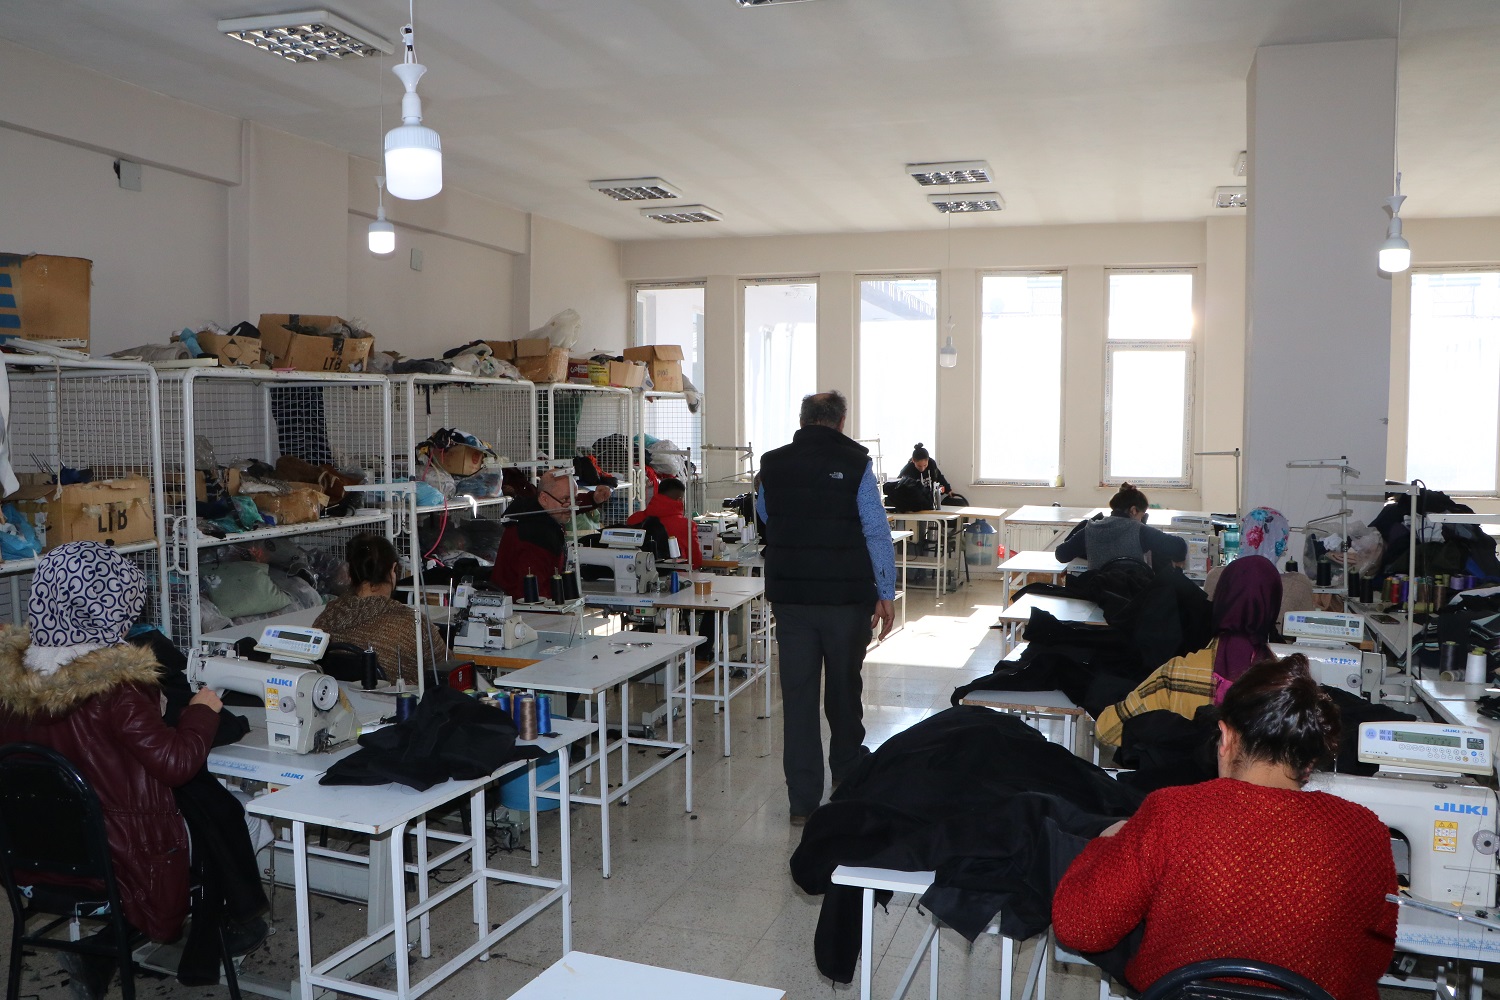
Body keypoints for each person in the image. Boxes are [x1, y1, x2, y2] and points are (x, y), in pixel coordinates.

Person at [0, 542, 269, 997]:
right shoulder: (116, 689)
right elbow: (177, 764)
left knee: (204, 809)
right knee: (236, 816)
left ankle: (106, 950)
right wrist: (202, 711)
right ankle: (228, 926)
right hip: (122, 857)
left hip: (33, 858)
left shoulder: (11, 684)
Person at [1054, 654, 1398, 1000]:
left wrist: (1104, 844)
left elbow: (1080, 929)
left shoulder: (1173, 812)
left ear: (1226, 737)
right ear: (1309, 762)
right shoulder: (1366, 832)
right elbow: (1373, 961)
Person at [758, 391, 897, 825]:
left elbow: (766, 516)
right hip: (845, 601)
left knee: (798, 697)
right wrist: (886, 592)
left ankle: (802, 802)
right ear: (841, 421)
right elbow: (875, 530)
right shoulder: (857, 463)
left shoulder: (771, 464)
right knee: (843, 688)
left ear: (803, 421)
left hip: (792, 601)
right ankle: (847, 774)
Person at [1094, 553, 1281, 745]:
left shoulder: (1177, 674)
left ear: (1221, 599)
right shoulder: (1286, 688)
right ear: (1273, 607)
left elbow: (1107, 730)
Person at [315, 533, 449, 687]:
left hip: (339, 700)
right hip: (397, 701)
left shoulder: (327, 617)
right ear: (393, 570)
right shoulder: (413, 624)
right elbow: (447, 668)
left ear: (351, 574)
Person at [1204, 505, 1315, 617]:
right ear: (1281, 543)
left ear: (1243, 535)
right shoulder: (1298, 585)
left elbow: (1206, 621)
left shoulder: (1216, 576)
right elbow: (1308, 625)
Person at [1055, 482, 1187, 570]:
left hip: (1099, 594)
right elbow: (1179, 545)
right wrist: (1178, 560)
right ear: (1133, 510)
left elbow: (1061, 555)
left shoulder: (1091, 529)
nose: (1141, 520)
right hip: (1133, 596)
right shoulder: (1140, 531)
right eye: (1141, 516)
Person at [490, 469, 570, 601]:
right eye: (565, 499)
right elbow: (533, 596)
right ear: (544, 498)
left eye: (574, 499)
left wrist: (594, 498)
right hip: (521, 609)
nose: (571, 506)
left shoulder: (541, 519)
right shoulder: (533, 537)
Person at [627, 476, 702, 568]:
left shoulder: (633, 519)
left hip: (637, 572)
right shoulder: (687, 525)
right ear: (679, 499)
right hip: (675, 574)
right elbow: (695, 561)